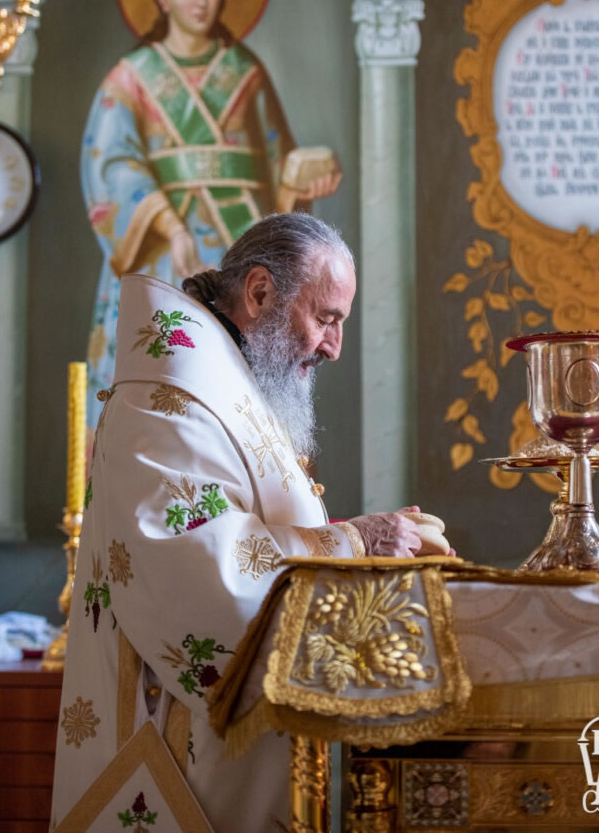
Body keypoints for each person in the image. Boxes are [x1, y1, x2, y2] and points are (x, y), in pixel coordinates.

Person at [50, 214, 451, 832]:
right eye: (326, 318)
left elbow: (244, 523)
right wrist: (354, 541)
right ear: (259, 292)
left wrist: (360, 537)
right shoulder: (169, 398)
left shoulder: (224, 384)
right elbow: (197, 568)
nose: (334, 347)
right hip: (177, 759)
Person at [82, 0, 341, 439]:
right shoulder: (131, 79)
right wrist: (172, 227)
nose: (200, 0)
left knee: (243, 384)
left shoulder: (244, 72)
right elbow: (111, 167)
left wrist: (302, 177)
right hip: (164, 251)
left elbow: (277, 160)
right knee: (165, 374)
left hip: (241, 246)